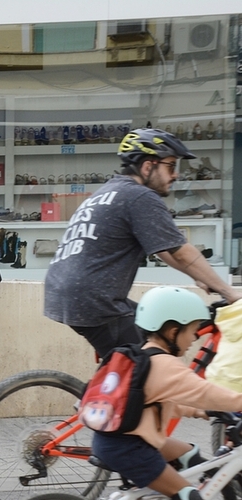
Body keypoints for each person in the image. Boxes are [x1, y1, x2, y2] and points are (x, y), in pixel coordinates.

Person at [90, 286, 242, 500]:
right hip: (129, 446)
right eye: (191, 332)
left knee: (190, 456)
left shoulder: (142, 355)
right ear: (172, 331)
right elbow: (208, 391)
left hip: (118, 439)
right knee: (188, 497)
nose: (195, 338)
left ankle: (128, 498)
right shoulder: (167, 365)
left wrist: (196, 410)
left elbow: (158, 398)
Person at [44, 128, 241, 358]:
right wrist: (229, 292)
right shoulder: (140, 197)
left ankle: (108, 389)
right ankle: (119, 391)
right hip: (95, 301)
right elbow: (181, 253)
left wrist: (199, 276)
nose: (176, 175)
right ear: (148, 167)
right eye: (170, 166)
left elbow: (164, 248)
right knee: (150, 366)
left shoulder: (108, 191)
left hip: (68, 294)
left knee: (154, 330)